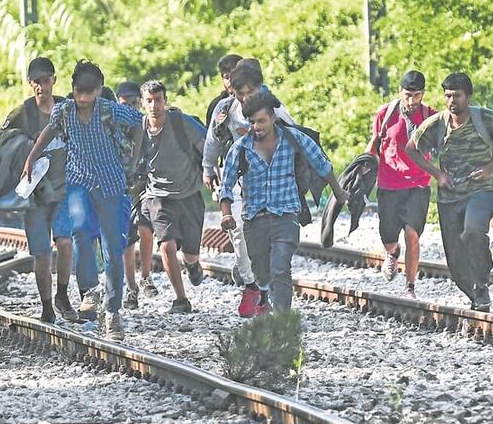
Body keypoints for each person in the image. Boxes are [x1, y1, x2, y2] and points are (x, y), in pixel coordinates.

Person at [24, 61, 143, 341]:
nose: (83, 98)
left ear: (99, 90)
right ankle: (90, 289)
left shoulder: (109, 110)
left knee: (114, 248)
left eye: (89, 92)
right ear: (73, 89)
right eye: (79, 91)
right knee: (78, 229)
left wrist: (134, 161)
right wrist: (31, 158)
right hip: (78, 182)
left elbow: (140, 123)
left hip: (112, 185)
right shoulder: (65, 111)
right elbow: (49, 132)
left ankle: (113, 311)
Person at [219, 91, 347, 315]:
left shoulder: (292, 139)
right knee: (261, 271)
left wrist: (339, 192)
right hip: (254, 219)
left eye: (261, 121)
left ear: (273, 119)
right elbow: (226, 185)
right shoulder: (240, 148)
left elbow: (322, 164)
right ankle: (264, 295)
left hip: (285, 215)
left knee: (280, 267)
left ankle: (282, 320)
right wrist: (226, 214)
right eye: (252, 122)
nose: (256, 126)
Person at [406, 73, 493, 312]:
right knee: (455, 262)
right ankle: (474, 291)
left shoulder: (486, 118)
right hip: (450, 196)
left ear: (468, 96)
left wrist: (490, 167)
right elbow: (411, 148)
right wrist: (438, 174)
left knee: (473, 231)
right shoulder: (436, 124)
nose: (451, 101)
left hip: (483, 189)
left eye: (457, 96)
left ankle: (481, 283)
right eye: (447, 96)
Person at [0, 57, 79, 323]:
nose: (41, 87)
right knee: (42, 253)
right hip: (34, 195)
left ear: (54, 81)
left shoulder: (67, 109)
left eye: (46, 81)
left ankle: (63, 294)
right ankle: (46, 305)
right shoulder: (22, 113)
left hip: (63, 189)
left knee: (65, 242)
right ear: (30, 83)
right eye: (36, 82)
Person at [203, 60, 295, 286]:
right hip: (238, 180)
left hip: (272, 182)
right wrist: (208, 168)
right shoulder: (225, 110)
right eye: (239, 93)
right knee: (240, 232)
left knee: (270, 236)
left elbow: (296, 138)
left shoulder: (275, 109)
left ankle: (264, 285)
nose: (245, 98)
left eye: (249, 92)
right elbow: (212, 141)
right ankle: (251, 282)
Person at [365, 70, 436, 298]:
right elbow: (374, 145)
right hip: (389, 183)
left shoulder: (430, 116)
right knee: (388, 236)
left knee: (412, 233)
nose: (412, 101)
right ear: (400, 91)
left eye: (416, 95)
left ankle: (410, 287)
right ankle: (393, 253)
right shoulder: (385, 114)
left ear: (423, 94)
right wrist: (363, 167)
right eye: (408, 95)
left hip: (419, 183)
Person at [138, 80, 207, 313]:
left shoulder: (181, 122)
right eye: (149, 100)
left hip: (189, 194)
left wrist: (211, 171)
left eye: (158, 100)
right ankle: (181, 300)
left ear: (165, 101)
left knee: (190, 253)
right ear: (142, 103)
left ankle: (193, 265)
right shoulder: (140, 129)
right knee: (166, 246)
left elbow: (207, 145)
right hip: (158, 196)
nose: (154, 105)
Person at [116, 81, 158, 310]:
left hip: (145, 186)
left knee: (146, 228)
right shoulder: (112, 128)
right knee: (127, 241)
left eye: (134, 103)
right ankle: (131, 289)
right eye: (125, 104)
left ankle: (146, 276)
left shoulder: (146, 125)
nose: (131, 108)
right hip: (121, 190)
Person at [205, 53, 243, 126]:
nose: (230, 81)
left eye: (234, 76)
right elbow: (208, 134)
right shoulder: (216, 104)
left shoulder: (253, 99)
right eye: (227, 77)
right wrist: (216, 123)